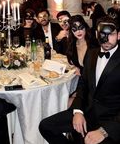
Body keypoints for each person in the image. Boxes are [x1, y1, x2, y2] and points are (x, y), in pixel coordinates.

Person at [39, 16, 120, 144]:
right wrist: (78, 111)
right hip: (86, 111)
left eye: (111, 34)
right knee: (45, 126)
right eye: (102, 34)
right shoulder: (92, 53)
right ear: (96, 34)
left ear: (119, 35)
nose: (106, 38)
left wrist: (104, 131)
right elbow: (83, 85)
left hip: (110, 120)